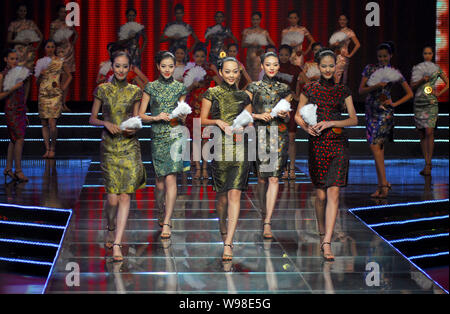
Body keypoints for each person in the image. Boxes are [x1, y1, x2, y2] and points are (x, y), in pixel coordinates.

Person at [295, 48, 358, 261]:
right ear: (317, 67)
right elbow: (297, 116)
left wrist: (332, 122)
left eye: (332, 65)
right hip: (317, 143)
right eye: (324, 66)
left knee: (334, 193)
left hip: (338, 143)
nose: (328, 69)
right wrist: (306, 128)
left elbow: (353, 119)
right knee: (320, 194)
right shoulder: (309, 88)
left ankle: (327, 242)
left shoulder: (343, 90)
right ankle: (322, 232)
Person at [89, 51, 146, 262]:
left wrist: (133, 128)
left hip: (129, 146)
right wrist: (106, 123)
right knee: (112, 197)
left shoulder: (135, 91)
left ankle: (117, 244)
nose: (121, 70)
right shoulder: (102, 89)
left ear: (130, 68)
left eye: (125, 66)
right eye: (117, 66)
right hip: (109, 147)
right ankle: (110, 226)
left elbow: (137, 119)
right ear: (111, 66)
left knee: (125, 195)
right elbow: (92, 118)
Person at [200, 55, 252, 261]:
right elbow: (203, 120)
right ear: (221, 73)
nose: (231, 75)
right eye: (227, 71)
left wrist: (245, 126)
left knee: (235, 195)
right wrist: (219, 122)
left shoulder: (245, 96)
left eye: (235, 71)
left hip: (240, 148)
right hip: (220, 147)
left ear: (239, 73)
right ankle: (222, 222)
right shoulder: (211, 93)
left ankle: (229, 242)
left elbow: (250, 122)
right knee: (222, 197)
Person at [138, 51, 189, 239]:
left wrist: (183, 115)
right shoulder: (150, 87)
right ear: (158, 67)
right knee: (160, 183)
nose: (167, 69)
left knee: (171, 180)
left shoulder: (180, 88)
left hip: (175, 134)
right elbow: (141, 115)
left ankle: (167, 221)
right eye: (164, 66)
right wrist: (156, 117)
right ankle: (161, 211)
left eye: (171, 66)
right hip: (158, 135)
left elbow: (183, 111)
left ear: (175, 67)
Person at [246, 52, 292, 239]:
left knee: (274, 178)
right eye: (268, 64)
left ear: (278, 67)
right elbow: (245, 114)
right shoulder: (253, 87)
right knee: (262, 179)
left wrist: (284, 115)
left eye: (275, 64)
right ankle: (263, 212)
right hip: (259, 134)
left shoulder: (284, 89)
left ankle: (267, 221)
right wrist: (258, 116)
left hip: (278, 134)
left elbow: (289, 117)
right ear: (262, 66)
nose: (271, 67)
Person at [358, 42, 413, 198]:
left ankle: (383, 185)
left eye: (385, 56)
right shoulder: (370, 69)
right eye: (380, 56)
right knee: (376, 150)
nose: (382, 59)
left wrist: (394, 103)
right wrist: (375, 85)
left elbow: (409, 93)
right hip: (370, 110)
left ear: (390, 56)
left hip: (384, 112)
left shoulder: (394, 71)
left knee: (376, 147)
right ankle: (382, 184)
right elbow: (361, 90)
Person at [184, 44, 221, 180]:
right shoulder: (189, 72)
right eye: (197, 56)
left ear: (206, 57)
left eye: (202, 56)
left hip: (206, 108)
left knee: (206, 140)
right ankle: (198, 169)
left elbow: (220, 84)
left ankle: (205, 168)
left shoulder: (209, 71)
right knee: (196, 140)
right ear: (193, 57)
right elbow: (184, 91)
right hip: (194, 108)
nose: (199, 59)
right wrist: (192, 85)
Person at [411, 46, 449, 176]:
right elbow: (412, 85)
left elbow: (448, 83)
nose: (427, 55)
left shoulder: (436, 68)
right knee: (422, 133)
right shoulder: (417, 68)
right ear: (423, 54)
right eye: (425, 53)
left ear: (432, 54)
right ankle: (426, 162)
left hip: (431, 103)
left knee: (429, 131)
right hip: (419, 103)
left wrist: (438, 93)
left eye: (429, 53)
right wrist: (422, 80)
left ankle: (429, 164)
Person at [36, 40, 72, 159]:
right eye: (48, 47)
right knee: (44, 123)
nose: (50, 49)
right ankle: (47, 149)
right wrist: (40, 75)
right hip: (43, 94)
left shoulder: (59, 61)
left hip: (55, 95)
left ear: (55, 48)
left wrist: (62, 87)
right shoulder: (40, 62)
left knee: (52, 123)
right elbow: (37, 82)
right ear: (45, 48)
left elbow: (69, 75)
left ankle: (53, 148)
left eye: (52, 47)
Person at [277, 45, 308, 180]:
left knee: (291, 138)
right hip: (277, 106)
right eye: (281, 54)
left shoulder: (295, 69)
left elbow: (308, 83)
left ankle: (292, 169)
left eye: (286, 54)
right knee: (281, 139)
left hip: (291, 105)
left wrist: (298, 96)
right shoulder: (274, 68)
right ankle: (283, 169)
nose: (283, 57)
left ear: (290, 55)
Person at [0, 49, 30, 182]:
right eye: (11, 59)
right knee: (19, 138)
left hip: (20, 109)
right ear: (6, 59)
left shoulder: (20, 74)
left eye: (16, 59)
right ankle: (18, 171)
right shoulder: (2, 75)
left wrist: (24, 109)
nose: (14, 61)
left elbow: (22, 93)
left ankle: (8, 168)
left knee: (13, 139)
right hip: (11, 110)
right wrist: (13, 88)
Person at [50, 4, 78, 112]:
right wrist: (57, 41)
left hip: (69, 52)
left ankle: (64, 103)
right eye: (61, 12)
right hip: (59, 52)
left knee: (67, 78)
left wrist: (72, 44)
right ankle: (57, 103)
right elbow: (51, 39)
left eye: (64, 12)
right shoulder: (54, 24)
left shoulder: (69, 23)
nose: (63, 14)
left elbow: (76, 34)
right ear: (58, 13)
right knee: (58, 78)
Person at [242, 12, 275, 81]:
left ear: (260, 20)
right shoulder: (247, 31)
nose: (255, 21)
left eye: (257, 19)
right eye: (253, 19)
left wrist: (263, 48)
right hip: (249, 55)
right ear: (251, 20)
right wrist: (251, 44)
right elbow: (243, 45)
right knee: (249, 73)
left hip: (259, 55)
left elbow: (272, 45)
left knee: (258, 73)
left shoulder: (264, 32)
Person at [330, 14, 360, 85]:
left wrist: (350, 55)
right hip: (335, 56)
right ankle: (338, 94)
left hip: (343, 57)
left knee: (339, 77)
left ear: (347, 21)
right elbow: (331, 46)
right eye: (340, 19)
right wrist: (334, 44)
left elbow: (358, 44)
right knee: (334, 77)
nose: (342, 21)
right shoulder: (336, 32)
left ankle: (339, 94)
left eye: (344, 20)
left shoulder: (349, 31)